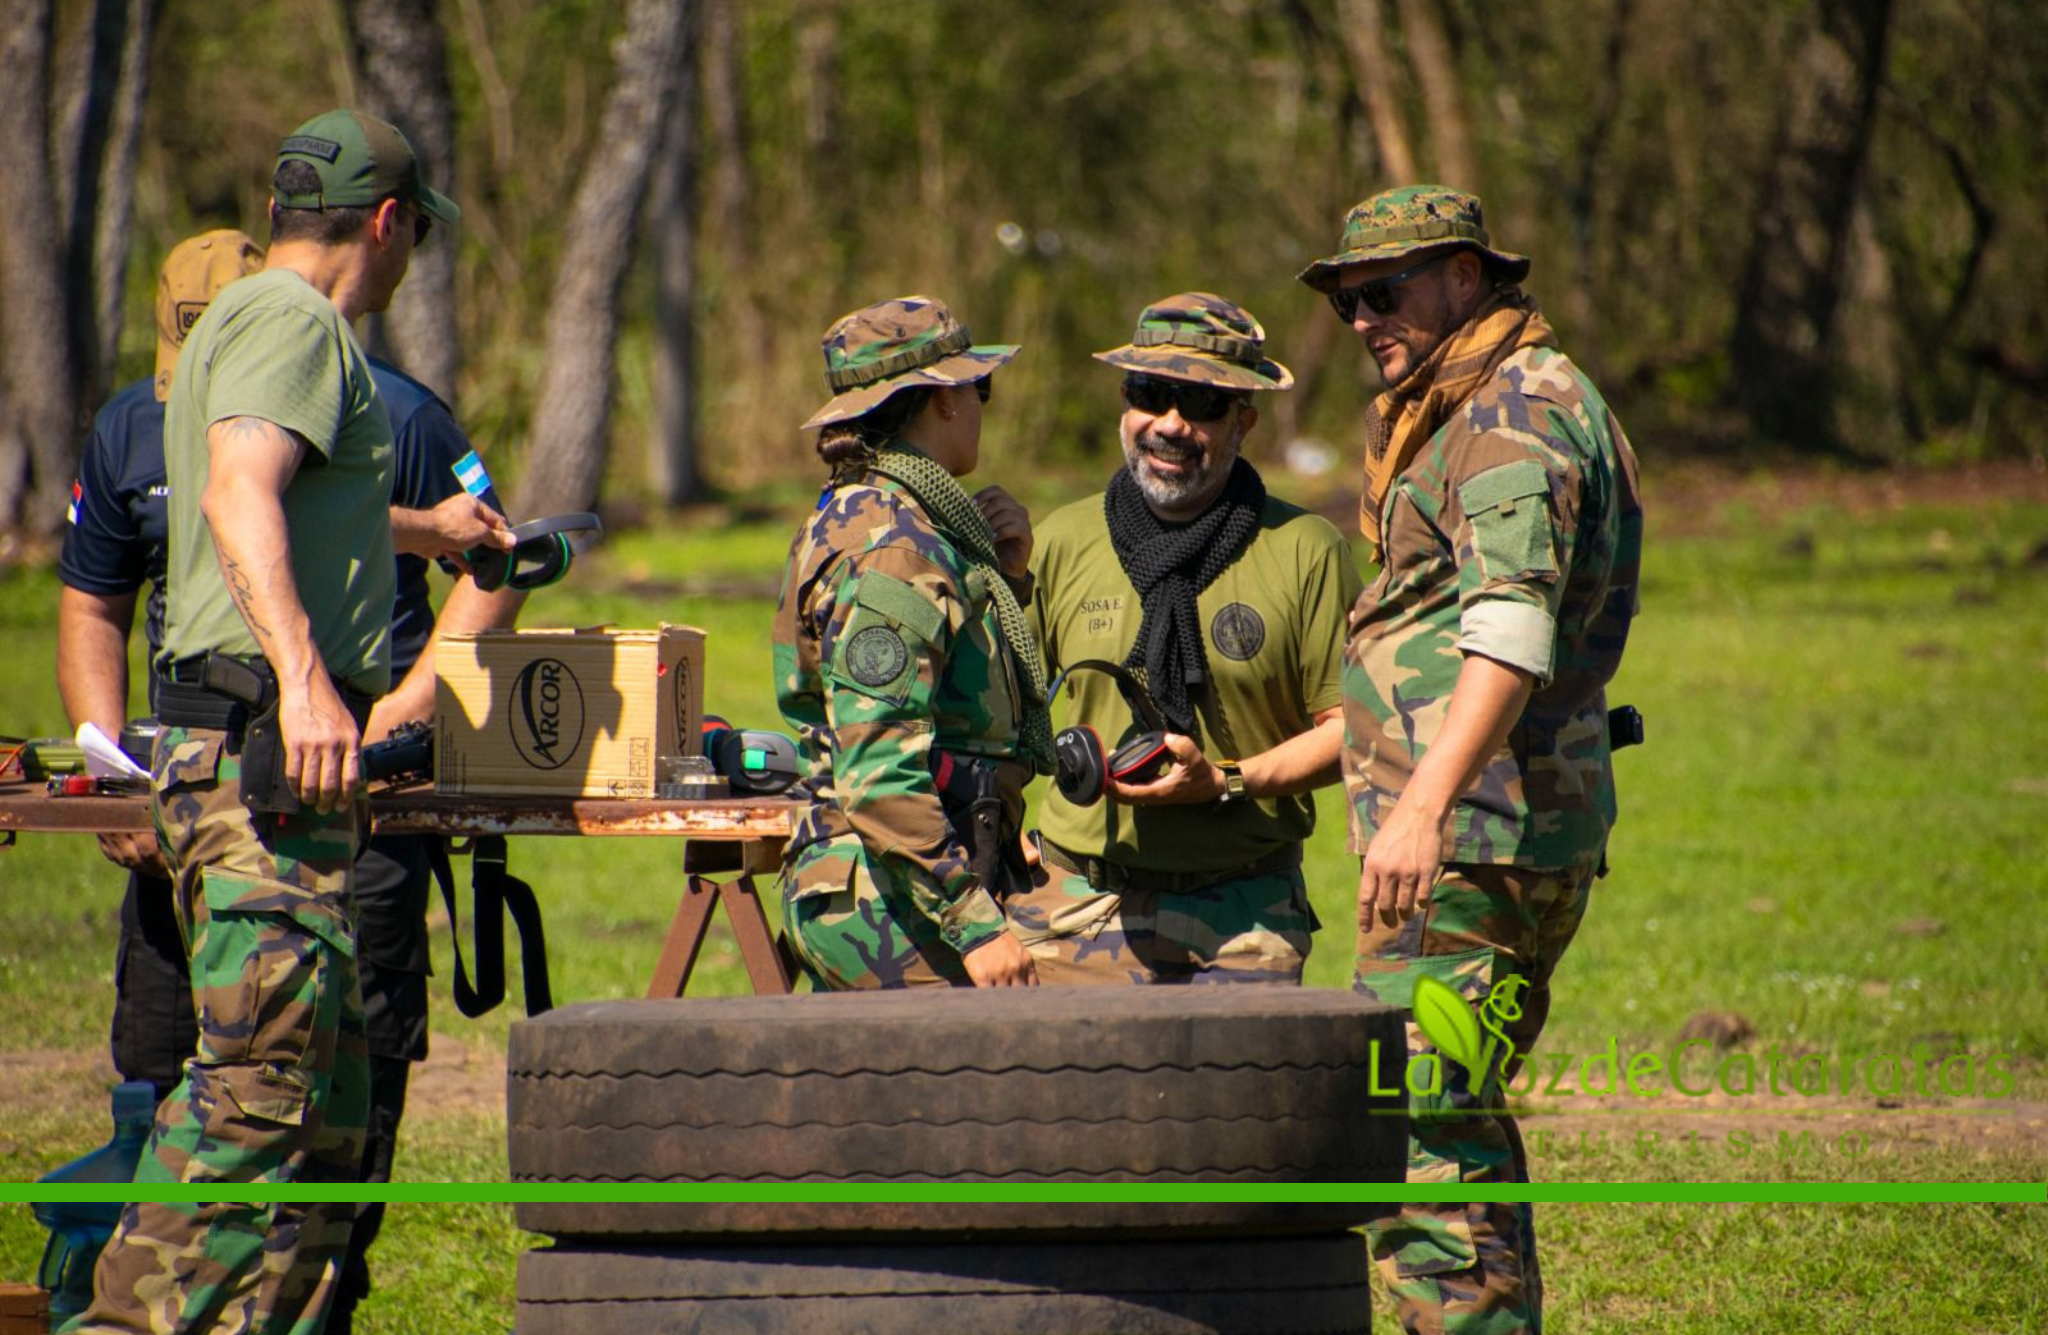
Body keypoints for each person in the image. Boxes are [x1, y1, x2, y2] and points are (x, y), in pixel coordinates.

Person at [65, 109, 492, 1335]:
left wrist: (426, 541)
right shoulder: (294, 321)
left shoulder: (258, 325)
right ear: (387, 222)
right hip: (264, 752)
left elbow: (283, 494)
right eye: (414, 235)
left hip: (285, 772)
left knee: (326, 1111)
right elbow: (242, 485)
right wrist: (306, 679)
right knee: (253, 1098)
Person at [1297, 184, 1643, 1335]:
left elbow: (1508, 622)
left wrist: (1422, 806)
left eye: (1383, 291)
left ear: (1464, 276)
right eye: (1348, 298)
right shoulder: (1477, 399)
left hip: (1473, 836)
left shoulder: (1506, 416)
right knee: (1451, 1115)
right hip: (1489, 825)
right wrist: (1263, 773)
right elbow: (1429, 637)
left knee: (1419, 1130)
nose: (1361, 317)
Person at [1008, 293, 1362, 985]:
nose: (1171, 424)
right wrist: (1008, 844)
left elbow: (1354, 729)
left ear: (1244, 420)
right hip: (1077, 911)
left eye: (1201, 403)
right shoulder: (1061, 541)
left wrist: (1226, 782)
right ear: (1125, 400)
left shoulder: (1306, 550)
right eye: (1151, 393)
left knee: (1241, 1097)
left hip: (1245, 914)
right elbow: (1002, 716)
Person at [774, 295, 1053, 990]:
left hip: (908, 867)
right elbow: (876, 769)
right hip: (885, 896)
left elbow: (959, 703)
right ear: (945, 402)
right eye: (978, 386)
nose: (985, 405)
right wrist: (976, 923)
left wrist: (1007, 580)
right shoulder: (896, 548)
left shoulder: (876, 513)